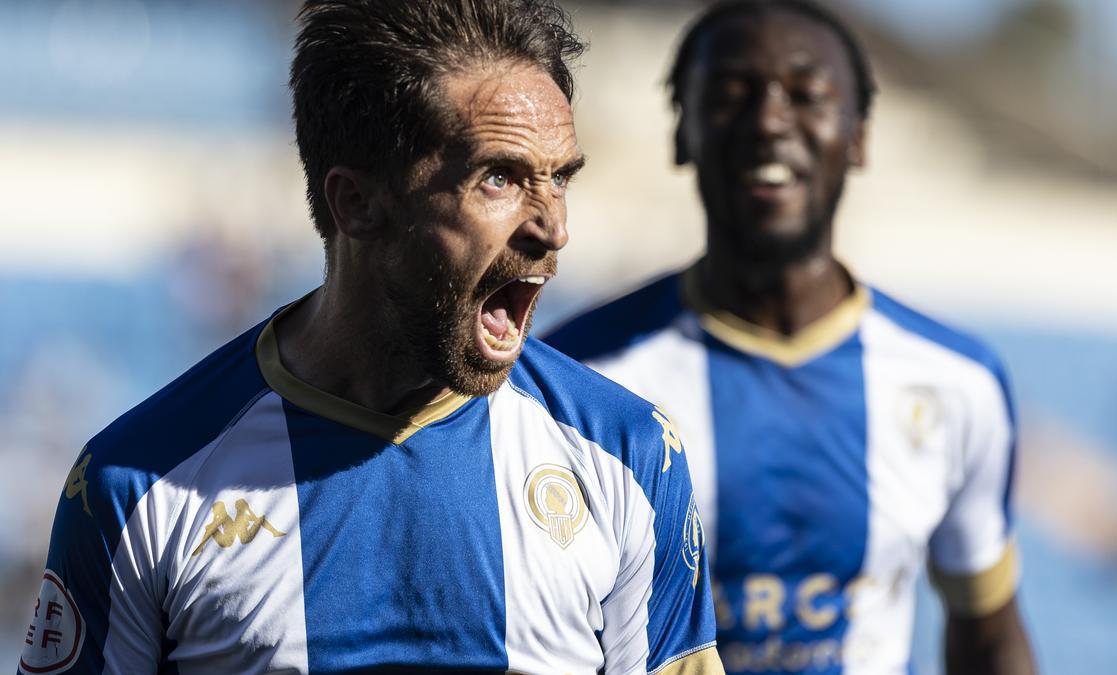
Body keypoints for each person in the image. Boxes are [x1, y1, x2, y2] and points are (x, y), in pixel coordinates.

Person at [18, 1, 723, 673]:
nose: (553, 229)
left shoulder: (629, 456)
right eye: (500, 178)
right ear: (356, 203)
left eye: (560, 179)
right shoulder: (139, 482)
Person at [546, 1, 1036, 673]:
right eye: (729, 95)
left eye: (807, 94)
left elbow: (989, 635)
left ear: (859, 136)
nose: (770, 121)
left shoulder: (958, 382)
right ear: (682, 134)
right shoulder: (579, 382)